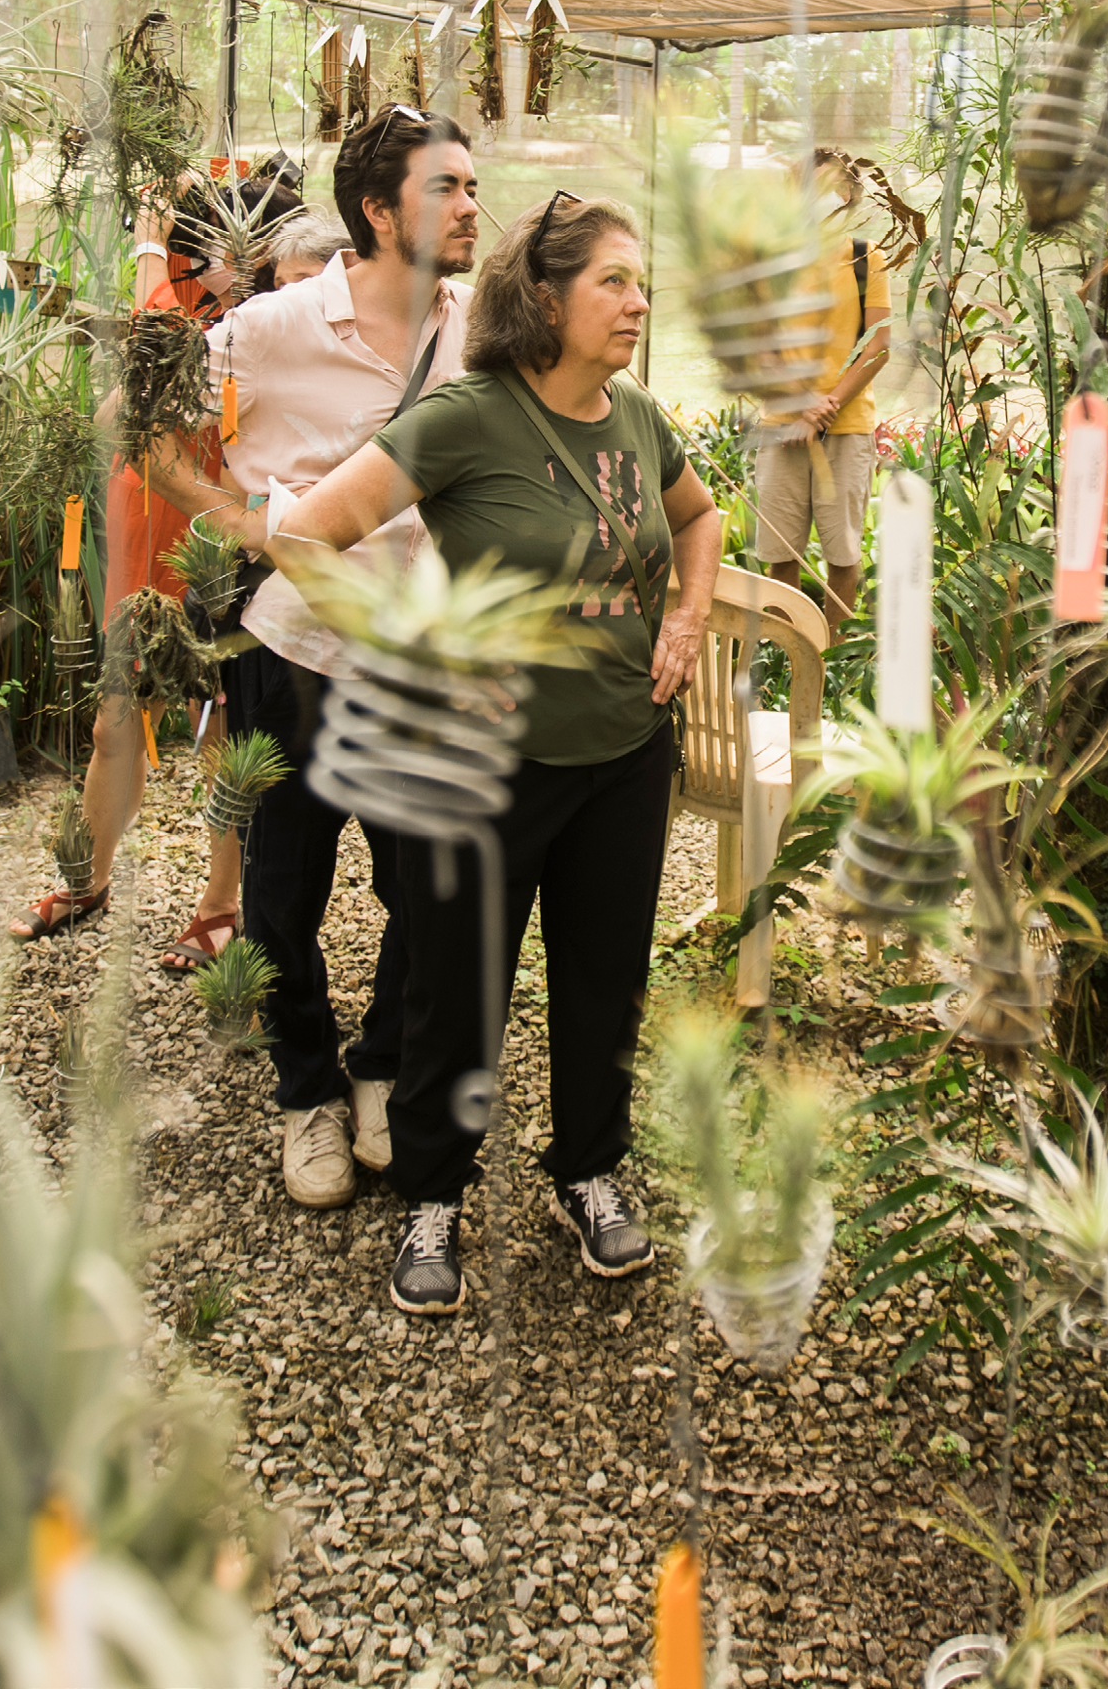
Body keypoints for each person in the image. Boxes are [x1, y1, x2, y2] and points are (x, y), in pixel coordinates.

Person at [273, 194, 725, 1316]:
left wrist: (685, 616)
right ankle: (432, 1194)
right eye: (614, 281)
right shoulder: (466, 418)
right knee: (456, 992)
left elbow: (699, 516)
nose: (638, 301)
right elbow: (305, 535)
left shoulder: (636, 417)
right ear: (545, 299)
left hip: (624, 755)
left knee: (606, 980)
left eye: (640, 281)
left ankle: (589, 1172)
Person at [136, 109, 479, 1210]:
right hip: (292, 649)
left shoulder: (482, 326)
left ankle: (379, 1065)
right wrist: (240, 522)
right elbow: (148, 427)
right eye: (447, 189)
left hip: (425, 656)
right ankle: (305, 1086)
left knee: (426, 885)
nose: (471, 207)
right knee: (284, 887)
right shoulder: (273, 326)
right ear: (378, 212)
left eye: (473, 186)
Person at [13, 165, 303, 966]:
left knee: (220, 731)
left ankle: (221, 902)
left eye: (208, 247)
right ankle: (87, 878)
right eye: (192, 245)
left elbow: (157, 342)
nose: (198, 260)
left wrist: (149, 242)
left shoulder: (271, 322)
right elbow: (135, 385)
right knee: (115, 718)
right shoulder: (192, 310)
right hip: (145, 524)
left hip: (217, 543)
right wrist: (156, 233)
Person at [756, 153, 889, 628]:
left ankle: (835, 657)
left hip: (847, 428)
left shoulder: (866, 257)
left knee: (842, 554)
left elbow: (879, 344)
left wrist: (826, 405)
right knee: (781, 555)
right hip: (782, 425)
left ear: (847, 195)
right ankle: (785, 652)